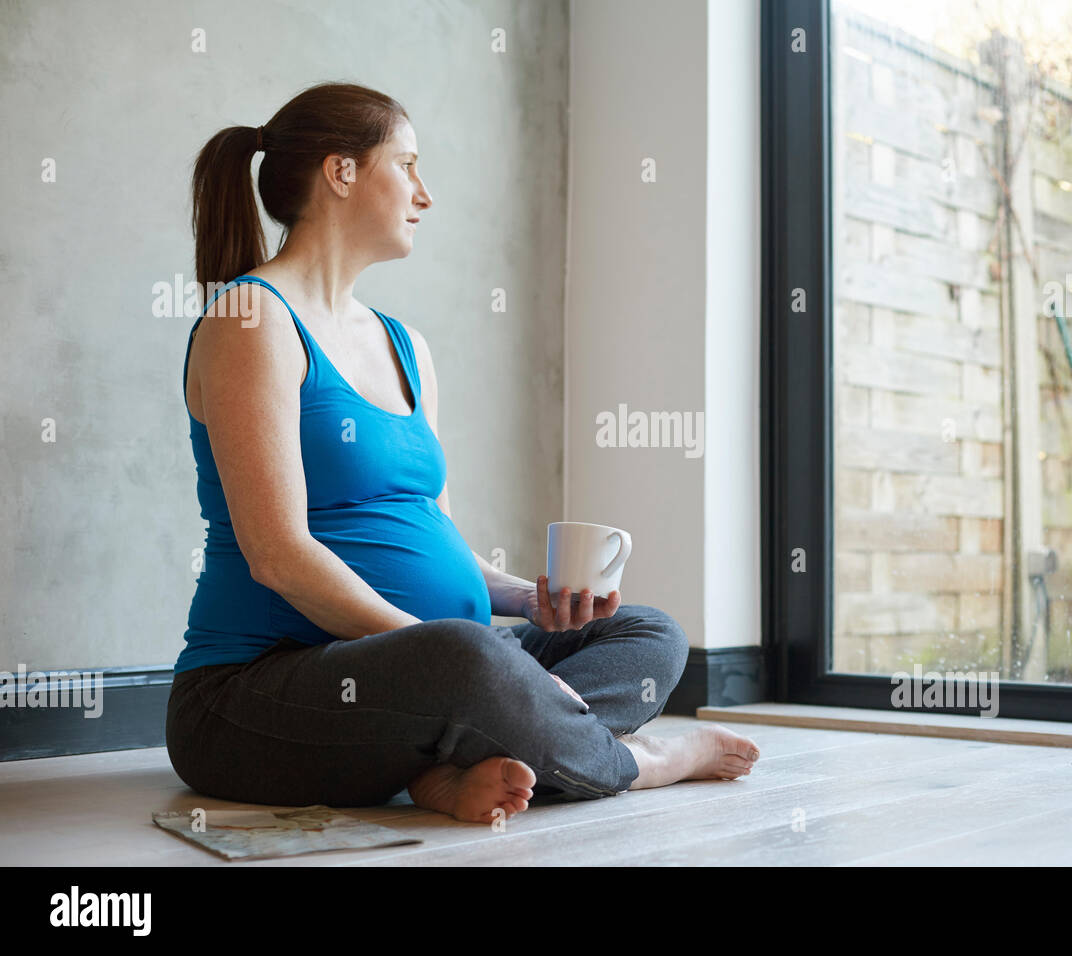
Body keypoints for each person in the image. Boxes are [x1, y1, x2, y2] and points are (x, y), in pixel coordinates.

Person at [167, 81, 760, 824]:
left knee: (649, 633)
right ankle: (639, 762)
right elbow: (277, 555)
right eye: (407, 164)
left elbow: (440, 537)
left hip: (439, 672)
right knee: (469, 661)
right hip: (255, 696)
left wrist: (527, 600)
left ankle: (451, 763)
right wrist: (484, 664)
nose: (425, 193)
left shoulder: (404, 344)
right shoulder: (253, 320)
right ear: (341, 172)